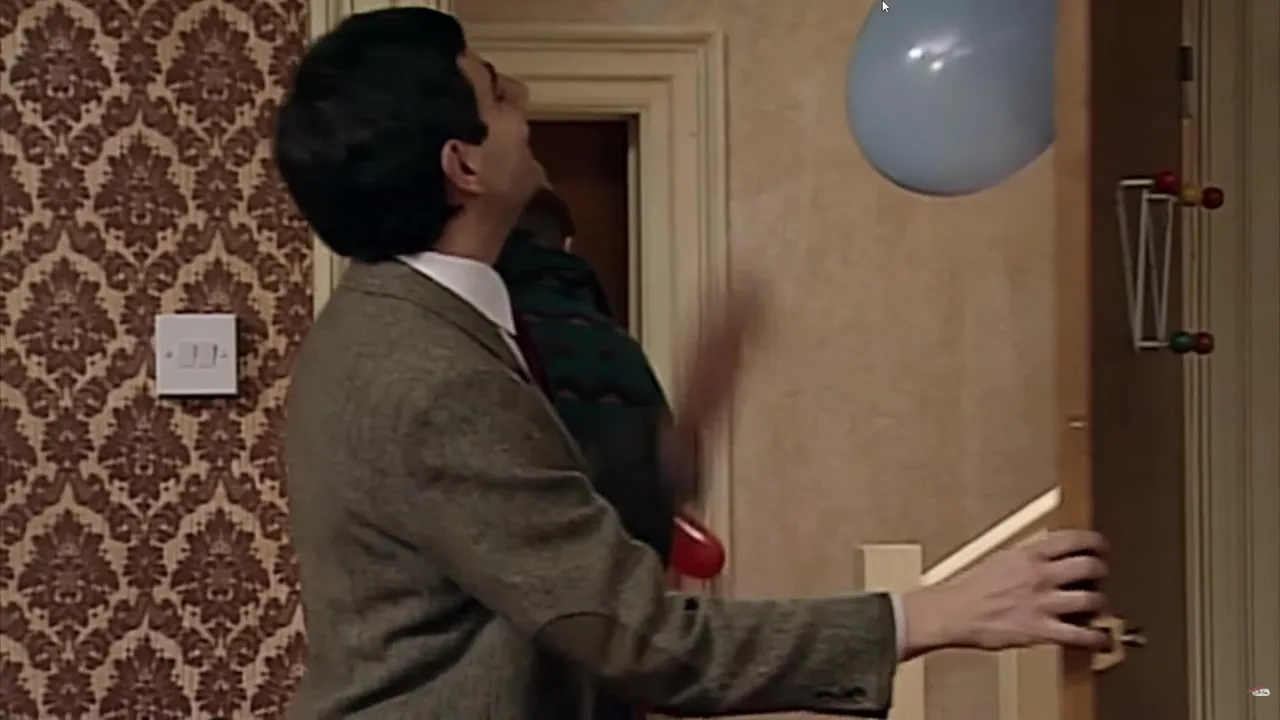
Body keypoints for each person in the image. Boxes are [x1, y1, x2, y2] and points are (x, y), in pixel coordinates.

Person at [275, 7, 1112, 720]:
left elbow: (543, 539)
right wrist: (932, 615)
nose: (522, 97)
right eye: (497, 92)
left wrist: (683, 434)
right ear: (463, 166)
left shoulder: (400, 326)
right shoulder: (435, 376)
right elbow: (636, 634)